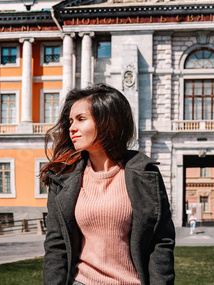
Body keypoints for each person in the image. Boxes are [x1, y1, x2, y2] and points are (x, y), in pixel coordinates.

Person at [41, 84, 175, 285]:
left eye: (81, 119)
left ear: (106, 122)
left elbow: (161, 243)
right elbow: (56, 245)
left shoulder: (145, 174)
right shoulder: (62, 177)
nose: (71, 128)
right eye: (70, 121)